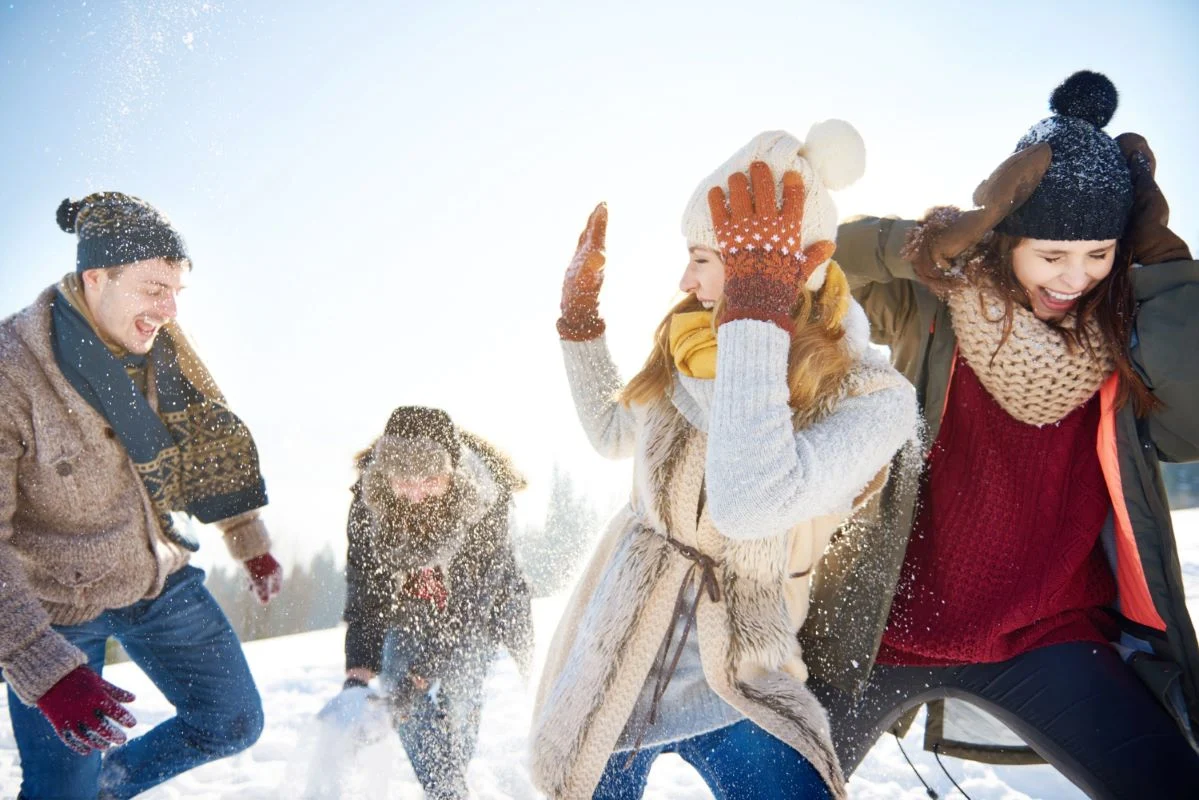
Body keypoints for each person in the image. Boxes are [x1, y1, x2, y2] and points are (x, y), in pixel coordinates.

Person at [806, 71, 1199, 798]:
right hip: (875, 632)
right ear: (1004, 238)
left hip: (1046, 634)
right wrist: (918, 245)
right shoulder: (933, 301)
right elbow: (814, 264)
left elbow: (1192, 425)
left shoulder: (1122, 337)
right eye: (1051, 254)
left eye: (1100, 254)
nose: (1074, 277)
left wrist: (1166, 267)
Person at [529, 123, 919, 800]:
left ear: (788, 265)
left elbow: (750, 502)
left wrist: (753, 319)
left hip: (739, 664)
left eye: (705, 258)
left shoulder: (870, 398)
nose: (684, 279)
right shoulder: (688, 344)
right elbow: (611, 432)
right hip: (620, 651)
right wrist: (579, 324)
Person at [0, 191, 283, 799]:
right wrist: (43, 668)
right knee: (59, 791)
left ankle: (106, 788)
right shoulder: (11, 372)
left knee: (232, 720)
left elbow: (209, 441)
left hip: (152, 574)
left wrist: (249, 541)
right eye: (156, 288)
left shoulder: (161, 352)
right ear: (96, 277)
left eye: (177, 291)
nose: (170, 309)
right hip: (55, 604)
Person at [334, 406, 533, 800]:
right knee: (395, 689)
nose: (416, 492)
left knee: (460, 695)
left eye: (429, 479)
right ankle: (448, 792)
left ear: (451, 473)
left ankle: (450, 783)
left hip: (477, 609)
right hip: (410, 605)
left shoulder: (484, 496)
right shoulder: (368, 503)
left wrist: (420, 677)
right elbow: (366, 590)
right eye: (403, 480)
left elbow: (472, 605)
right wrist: (357, 675)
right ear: (386, 473)